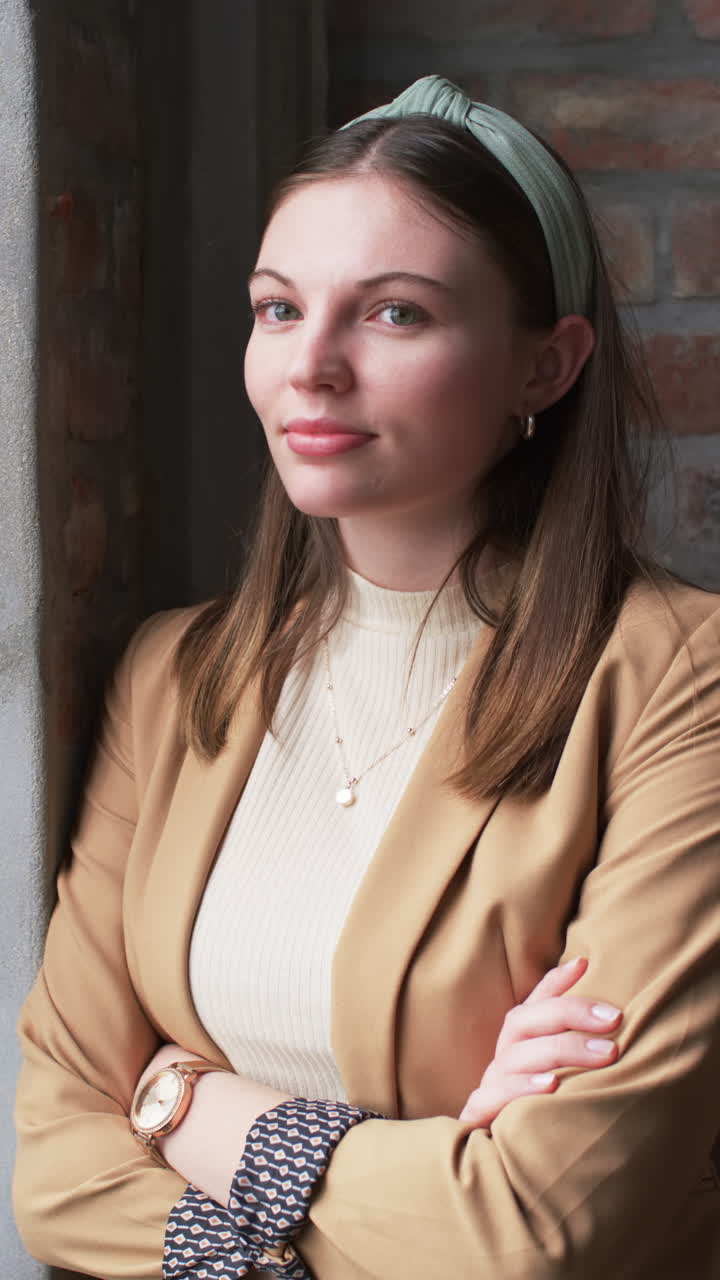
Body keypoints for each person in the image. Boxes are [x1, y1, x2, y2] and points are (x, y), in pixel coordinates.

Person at [13, 74, 720, 1280]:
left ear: (545, 367)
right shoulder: (175, 677)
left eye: (395, 314)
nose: (314, 366)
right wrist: (414, 1169)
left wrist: (181, 1101)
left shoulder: (676, 679)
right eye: (279, 309)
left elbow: (532, 1231)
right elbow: (53, 1173)